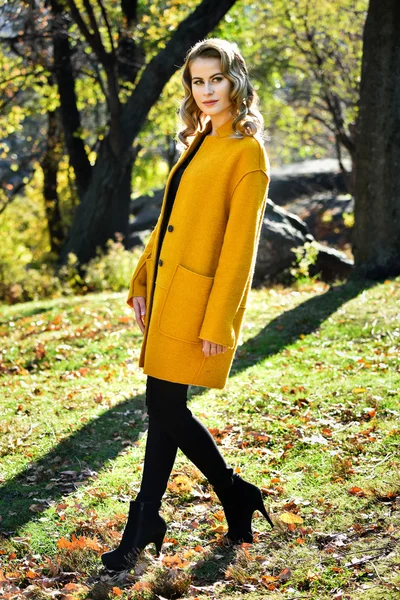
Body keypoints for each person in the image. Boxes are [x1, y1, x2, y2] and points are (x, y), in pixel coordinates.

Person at [101, 37, 273, 573]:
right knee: (162, 407)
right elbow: (167, 219)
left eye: (215, 79)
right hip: (170, 293)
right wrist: (141, 279)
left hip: (199, 302)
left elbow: (241, 248)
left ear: (235, 81)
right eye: (197, 81)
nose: (206, 91)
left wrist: (219, 319)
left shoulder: (247, 153)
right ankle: (188, 508)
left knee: (164, 406)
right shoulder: (198, 140)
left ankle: (164, 512)